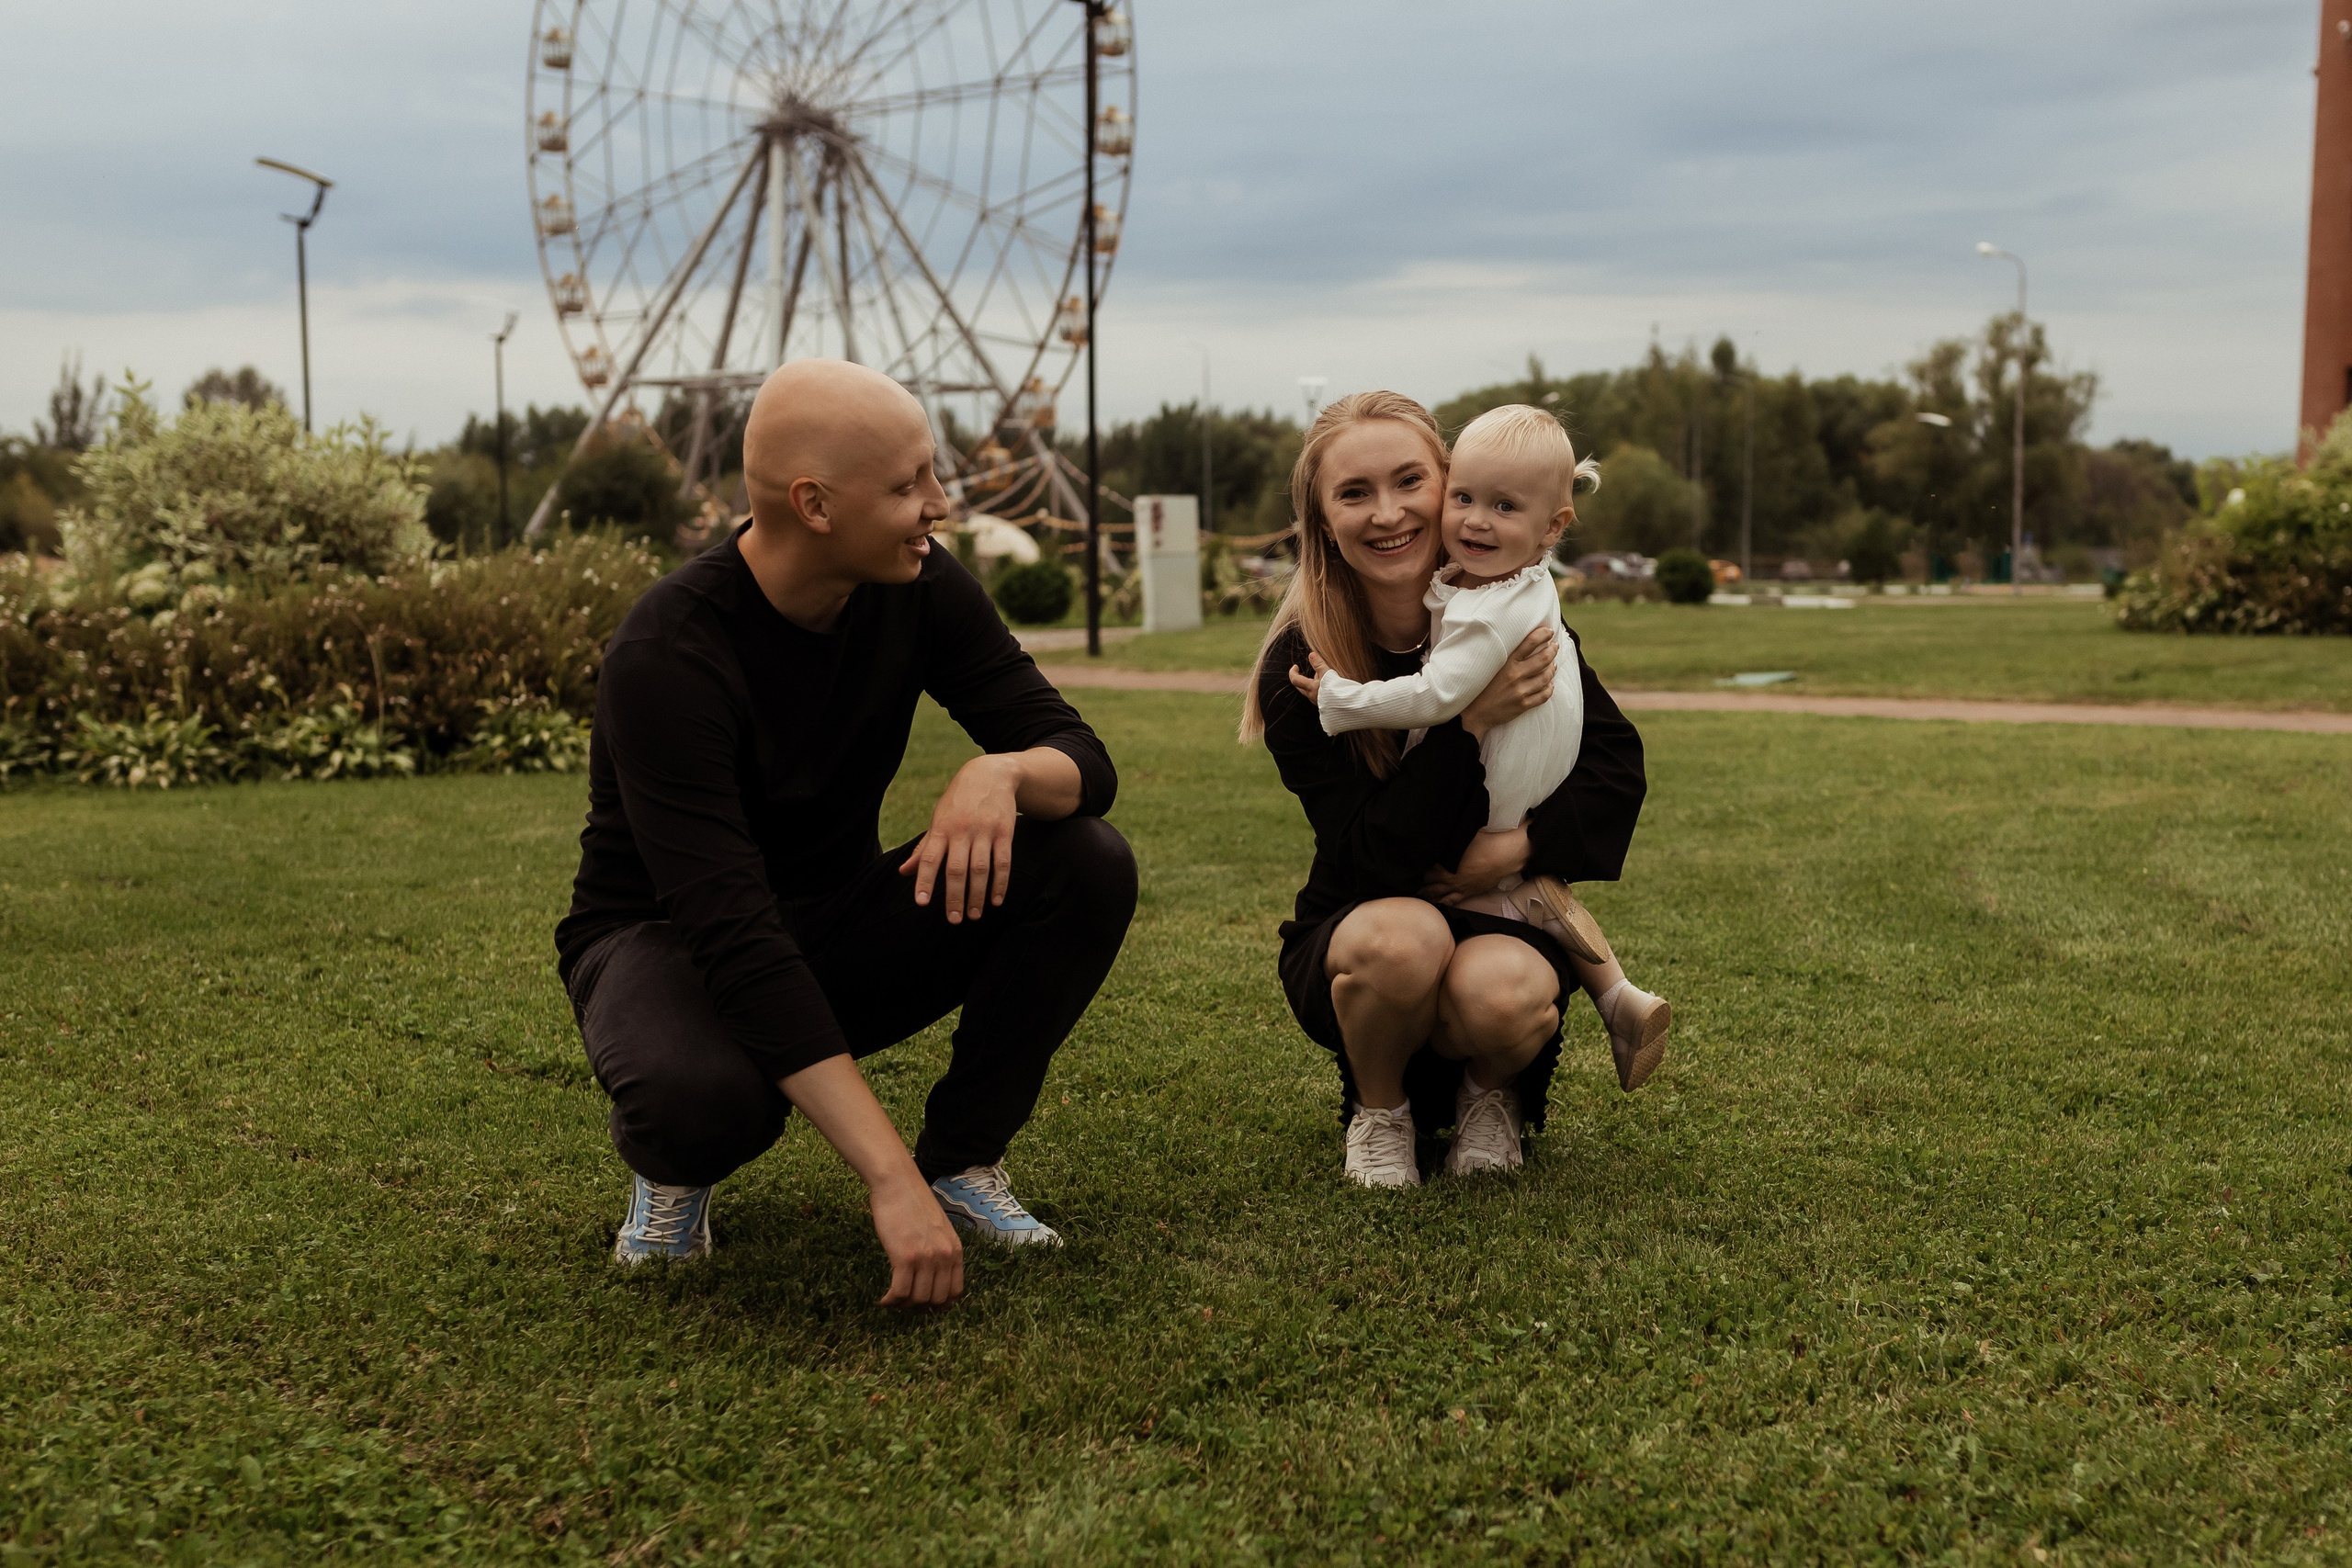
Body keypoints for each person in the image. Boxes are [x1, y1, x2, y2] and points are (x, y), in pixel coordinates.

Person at [555, 359, 1136, 1307]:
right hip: (665, 944)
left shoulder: (919, 586)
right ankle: (673, 1172)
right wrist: (881, 1178)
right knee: (702, 1099)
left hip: (831, 917)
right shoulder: (667, 655)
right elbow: (733, 933)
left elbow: (1083, 760)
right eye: (909, 485)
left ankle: (960, 1160)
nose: (939, 505)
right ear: (814, 504)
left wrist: (1002, 772)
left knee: (1082, 860)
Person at [1240, 390, 1650, 1189]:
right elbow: (1374, 854)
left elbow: (1615, 764)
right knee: (1403, 939)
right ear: (1322, 519)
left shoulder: (1503, 612)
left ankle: (1487, 1097)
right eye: (1354, 493)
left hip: (1495, 914)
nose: (1388, 512)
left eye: (1409, 482)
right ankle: (1380, 1109)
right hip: (1369, 918)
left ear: (1445, 481)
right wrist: (1470, 726)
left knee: (1511, 991)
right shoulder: (1306, 667)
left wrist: (1518, 848)